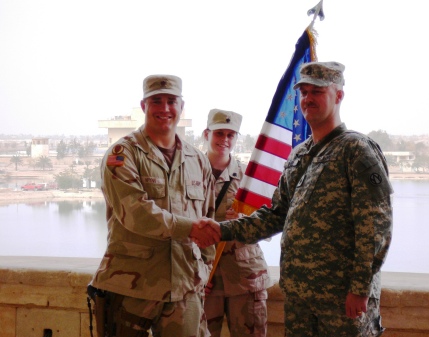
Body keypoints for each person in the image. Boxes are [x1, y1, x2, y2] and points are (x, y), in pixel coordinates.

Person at [194, 61, 393, 337]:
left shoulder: (356, 150)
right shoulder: (299, 154)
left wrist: (359, 289)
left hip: (340, 301)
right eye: (304, 92)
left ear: (338, 96)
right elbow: (276, 214)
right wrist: (222, 230)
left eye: (318, 92)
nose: (308, 99)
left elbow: (375, 228)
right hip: (301, 297)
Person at [87, 74, 219, 337]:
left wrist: (204, 269)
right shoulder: (122, 155)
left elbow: (208, 217)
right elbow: (136, 213)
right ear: (144, 106)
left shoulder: (198, 160)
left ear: (182, 106)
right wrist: (190, 229)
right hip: (133, 287)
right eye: (156, 101)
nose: (165, 109)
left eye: (171, 101)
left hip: (185, 288)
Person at [202, 109, 273, 337]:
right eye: (219, 133)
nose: (225, 140)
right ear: (206, 134)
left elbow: (270, 225)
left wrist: (244, 221)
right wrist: (193, 272)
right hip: (206, 276)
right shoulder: (188, 175)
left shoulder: (248, 179)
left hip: (245, 276)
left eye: (231, 135)